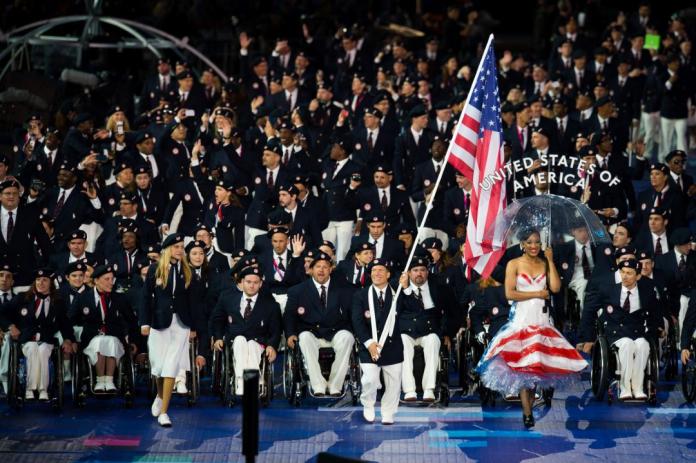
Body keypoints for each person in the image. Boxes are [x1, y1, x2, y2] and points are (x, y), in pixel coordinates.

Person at [476, 228, 587, 428]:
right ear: (523, 245)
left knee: (535, 365)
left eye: (537, 242)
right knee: (524, 366)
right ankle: (527, 412)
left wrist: (551, 261)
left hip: (542, 319)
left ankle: (530, 405)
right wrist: (536, 294)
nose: (534, 246)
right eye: (530, 242)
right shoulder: (514, 264)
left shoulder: (545, 263)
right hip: (522, 319)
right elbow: (510, 294)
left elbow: (555, 288)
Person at [139, 233, 197, 427]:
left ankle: (164, 412)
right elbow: (146, 298)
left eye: (181, 246)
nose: (180, 250)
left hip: (180, 324)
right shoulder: (155, 270)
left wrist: (194, 327)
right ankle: (159, 394)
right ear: (167, 249)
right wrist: (144, 322)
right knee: (158, 366)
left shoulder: (187, 271)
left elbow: (193, 301)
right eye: (176, 246)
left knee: (171, 365)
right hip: (159, 322)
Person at [582, 259, 661, 400]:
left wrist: (658, 328)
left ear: (638, 276)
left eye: (629, 273)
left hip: (637, 333)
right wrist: (587, 337)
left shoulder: (646, 292)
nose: (625, 276)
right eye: (623, 272)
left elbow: (655, 313)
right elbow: (589, 310)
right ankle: (624, 387)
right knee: (627, 344)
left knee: (643, 345)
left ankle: (637, 387)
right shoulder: (608, 290)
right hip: (615, 334)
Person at [284, 251, 354, 397]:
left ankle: (335, 385)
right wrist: (290, 334)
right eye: (318, 267)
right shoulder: (297, 291)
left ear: (331, 269)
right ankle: (318, 385)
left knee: (348, 337)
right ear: (310, 270)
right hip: (311, 332)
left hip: (335, 330)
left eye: (325, 266)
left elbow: (351, 315)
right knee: (303, 338)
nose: (321, 270)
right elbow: (289, 315)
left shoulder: (344, 290)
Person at [0, 268, 76, 400]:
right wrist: (10, 326)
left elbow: (65, 324)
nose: (41, 283)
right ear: (34, 282)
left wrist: (69, 340)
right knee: (33, 348)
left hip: (47, 340)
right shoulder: (22, 298)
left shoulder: (57, 303)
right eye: (38, 280)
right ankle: (30, 388)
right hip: (26, 340)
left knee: (43, 350)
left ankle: (43, 389)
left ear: (51, 283)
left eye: (45, 280)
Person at [211, 266, 281, 395]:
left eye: (255, 283)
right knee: (240, 340)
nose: (251, 286)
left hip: (258, 341)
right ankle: (243, 382)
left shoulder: (270, 304)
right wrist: (218, 337)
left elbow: (276, 329)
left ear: (260, 284)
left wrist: (272, 346)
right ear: (242, 282)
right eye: (248, 282)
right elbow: (217, 320)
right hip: (234, 340)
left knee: (252, 346)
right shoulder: (227, 299)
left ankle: (249, 383)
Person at [351, 258, 403, 425]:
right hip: (369, 346)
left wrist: (407, 287)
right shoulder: (361, 295)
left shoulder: (398, 292)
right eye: (374, 270)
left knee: (394, 383)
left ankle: (388, 411)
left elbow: (411, 309)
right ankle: (368, 403)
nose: (377, 273)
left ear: (388, 274)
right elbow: (357, 321)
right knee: (370, 379)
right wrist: (368, 343)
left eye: (381, 270)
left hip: (392, 346)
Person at [69, 265, 135, 392]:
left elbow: (132, 321)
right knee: (100, 341)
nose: (111, 282)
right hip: (90, 341)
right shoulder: (82, 298)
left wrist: (133, 341)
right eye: (107, 279)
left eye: (112, 279)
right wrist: (71, 340)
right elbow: (68, 321)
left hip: (116, 341)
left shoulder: (120, 298)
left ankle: (108, 380)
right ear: (96, 280)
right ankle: (100, 380)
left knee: (109, 341)